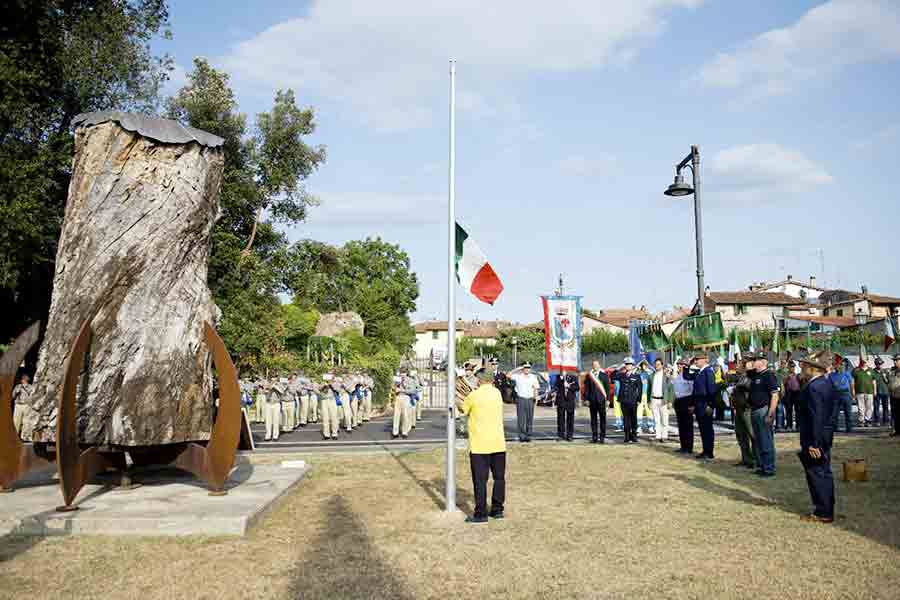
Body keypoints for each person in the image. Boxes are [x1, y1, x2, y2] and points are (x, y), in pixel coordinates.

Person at [459, 367, 507, 524]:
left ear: (479, 380)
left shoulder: (474, 395)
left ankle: (480, 514)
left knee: (480, 480)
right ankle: (497, 510)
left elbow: (463, 410)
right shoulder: (497, 394)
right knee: (499, 478)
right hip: (498, 443)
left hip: (480, 444)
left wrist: (459, 397)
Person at [797, 354, 836, 524]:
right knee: (824, 472)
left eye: (804, 366)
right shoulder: (826, 383)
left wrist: (814, 443)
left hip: (815, 437)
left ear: (813, 368)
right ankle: (827, 507)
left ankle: (822, 512)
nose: (802, 369)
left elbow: (816, 416)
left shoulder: (814, 387)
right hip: (824, 434)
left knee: (817, 473)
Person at [748, 354, 779, 477]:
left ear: (763, 362)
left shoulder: (769, 375)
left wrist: (770, 413)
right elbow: (744, 370)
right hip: (755, 410)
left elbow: (775, 395)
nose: (753, 362)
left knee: (766, 440)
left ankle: (769, 468)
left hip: (763, 410)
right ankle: (762, 465)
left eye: (755, 360)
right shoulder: (756, 375)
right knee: (759, 440)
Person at [684, 354, 717, 459]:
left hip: (705, 405)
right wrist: (687, 365)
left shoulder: (708, 372)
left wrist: (710, 405)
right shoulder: (699, 372)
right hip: (698, 405)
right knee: (703, 429)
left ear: (704, 360)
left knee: (707, 429)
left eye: (697, 359)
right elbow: (687, 376)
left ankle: (709, 452)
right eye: (695, 360)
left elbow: (711, 390)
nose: (696, 361)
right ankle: (705, 450)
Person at [729, 360, 757, 469]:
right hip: (739, 409)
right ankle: (746, 459)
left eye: (739, 364)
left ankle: (756, 459)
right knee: (740, 434)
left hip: (747, 409)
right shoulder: (740, 377)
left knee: (752, 434)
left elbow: (750, 389)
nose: (737, 366)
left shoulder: (751, 376)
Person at [612, 357, 643, 444]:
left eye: (629, 364)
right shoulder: (621, 375)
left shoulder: (636, 376)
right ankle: (627, 436)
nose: (627, 366)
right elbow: (612, 377)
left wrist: (639, 400)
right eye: (626, 364)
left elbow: (639, 389)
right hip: (623, 400)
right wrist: (618, 368)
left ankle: (634, 436)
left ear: (633, 366)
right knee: (625, 419)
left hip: (633, 401)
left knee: (633, 419)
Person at [509, 362, 539, 442]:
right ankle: (522, 436)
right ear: (523, 368)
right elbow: (508, 375)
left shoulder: (533, 377)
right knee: (521, 419)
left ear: (530, 369)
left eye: (528, 368)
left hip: (530, 399)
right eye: (525, 367)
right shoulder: (518, 376)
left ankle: (528, 435)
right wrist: (518, 368)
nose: (527, 369)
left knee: (529, 418)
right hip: (521, 399)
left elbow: (536, 388)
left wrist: (536, 399)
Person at [584, 360, 610, 444]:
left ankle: (602, 437)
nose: (595, 366)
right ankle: (594, 437)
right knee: (593, 420)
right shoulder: (589, 376)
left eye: (596, 364)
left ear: (599, 366)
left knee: (603, 419)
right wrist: (586, 399)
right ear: (592, 366)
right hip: (592, 401)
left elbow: (607, 388)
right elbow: (587, 389)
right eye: (593, 365)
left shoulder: (604, 375)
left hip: (602, 400)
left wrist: (608, 400)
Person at [672, 360, 694, 454]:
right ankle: (683, 446)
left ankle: (689, 447)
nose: (679, 366)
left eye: (681, 365)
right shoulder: (677, 376)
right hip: (679, 401)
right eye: (678, 365)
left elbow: (693, 390)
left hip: (687, 400)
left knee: (688, 425)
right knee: (681, 425)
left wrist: (692, 404)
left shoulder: (688, 376)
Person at [649, 358, 672, 443]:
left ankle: (664, 436)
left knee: (665, 419)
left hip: (663, 400)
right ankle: (658, 436)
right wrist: (649, 400)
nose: (657, 366)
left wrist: (670, 401)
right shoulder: (652, 375)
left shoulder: (666, 376)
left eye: (658, 364)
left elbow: (670, 389)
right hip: (654, 399)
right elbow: (649, 389)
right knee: (656, 419)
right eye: (655, 364)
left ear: (662, 365)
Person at [828, 360, 854, 433]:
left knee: (848, 412)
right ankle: (834, 427)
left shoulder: (847, 374)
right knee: (834, 413)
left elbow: (851, 383)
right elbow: (829, 385)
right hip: (835, 394)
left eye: (841, 365)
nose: (839, 366)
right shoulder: (831, 375)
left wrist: (852, 394)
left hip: (846, 394)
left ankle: (849, 428)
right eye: (837, 365)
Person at [554, 371, 579, 441]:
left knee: (570, 419)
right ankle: (561, 435)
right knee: (560, 419)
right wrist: (562, 380)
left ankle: (569, 435)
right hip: (561, 400)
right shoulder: (558, 377)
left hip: (570, 401)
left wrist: (569, 386)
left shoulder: (573, 377)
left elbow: (577, 387)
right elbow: (555, 386)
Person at [852, 358, 876, 427]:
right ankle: (861, 421)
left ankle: (868, 420)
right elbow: (853, 382)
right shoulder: (856, 370)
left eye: (865, 361)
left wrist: (875, 390)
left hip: (869, 391)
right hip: (859, 391)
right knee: (860, 407)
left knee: (869, 407)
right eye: (863, 361)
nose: (864, 362)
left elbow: (874, 382)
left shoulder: (871, 370)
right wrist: (853, 391)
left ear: (868, 361)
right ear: (861, 361)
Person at [392, 370, 412, 439]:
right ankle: (395, 432)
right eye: (401, 373)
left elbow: (412, 390)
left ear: (406, 373)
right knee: (396, 415)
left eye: (403, 373)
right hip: (398, 397)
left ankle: (404, 432)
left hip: (405, 397)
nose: (402, 374)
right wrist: (395, 387)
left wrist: (402, 389)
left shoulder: (409, 380)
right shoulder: (397, 379)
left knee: (405, 415)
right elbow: (393, 388)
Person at [320, 374, 340, 440]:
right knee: (325, 418)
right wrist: (324, 385)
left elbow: (338, 389)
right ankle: (326, 434)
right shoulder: (323, 383)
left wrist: (331, 384)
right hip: (324, 400)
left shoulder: (335, 383)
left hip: (332, 400)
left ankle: (334, 433)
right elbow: (319, 389)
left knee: (334, 417)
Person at [783, 361, 801, 431]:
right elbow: (783, 383)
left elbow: (800, 382)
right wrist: (787, 377)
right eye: (791, 367)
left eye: (793, 367)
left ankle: (798, 426)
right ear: (788, 368)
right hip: (789, 393)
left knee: (797, 410)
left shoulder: (797, 375)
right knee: (789, 410)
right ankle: (789, 426)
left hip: (797, 393)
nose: (792, 368)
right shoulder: (786, 375)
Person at [873, 357, 890, 426]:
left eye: (880, 364)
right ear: (875, 364)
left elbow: (888, 382)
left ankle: (885, 420)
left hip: (885, 391)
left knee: (885, 407)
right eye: (878, 364)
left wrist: (884, 377)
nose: (879, 365)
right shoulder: (873, 371)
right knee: (876, 407)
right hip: (876, 391)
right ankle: (877, 420)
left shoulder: (886, 371)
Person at [888, 354, 900, 437]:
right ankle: (896, 430)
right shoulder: (892, 370)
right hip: (893, 396)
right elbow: (889, 382)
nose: (895, 361)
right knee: (894, 414)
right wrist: (884, 377)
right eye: (894, 360)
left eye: (897, 360)